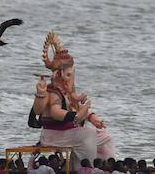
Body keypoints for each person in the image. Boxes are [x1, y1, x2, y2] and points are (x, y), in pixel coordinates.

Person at [30, 30, 115, 165]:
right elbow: (49, 111)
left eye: (72, 74)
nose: (71, 79)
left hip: (69, 133)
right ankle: (85, 168)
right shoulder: (53, 91)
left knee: (105, 136)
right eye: (69, 75)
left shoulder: (66, 92)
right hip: (54, 135)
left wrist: (93, 118)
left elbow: (78, 107)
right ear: (59, 74)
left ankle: (107, 166)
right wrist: (40, 93)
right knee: (88, 133)